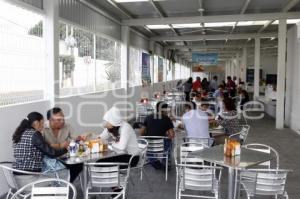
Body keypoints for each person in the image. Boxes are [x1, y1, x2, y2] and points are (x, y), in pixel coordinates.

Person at [12, 112, 68, 188]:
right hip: (29, 180)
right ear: (36, 123)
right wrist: (66, 149)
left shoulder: (19, 133)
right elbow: (51, 153)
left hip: (17, 178)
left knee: (49, 172)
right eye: (42, 123)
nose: (43, 126)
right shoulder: (34, 134)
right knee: (60, 176)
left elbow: (42, 148)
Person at [44, 107, 85, 182]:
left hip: (65, 157)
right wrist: (59, 145)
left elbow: (77, 140)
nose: (63, 121)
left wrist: (78, 140)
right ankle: (63, 185)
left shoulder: (67, 125)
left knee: (79, 164)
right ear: (50, 120)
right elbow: (42, 146)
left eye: (63, 118)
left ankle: (67, 184)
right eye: (59, 120)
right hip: (50, 159)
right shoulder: (43, 129)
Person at [140, 101, 174, 169]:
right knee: (169, 141)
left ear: (156, 108)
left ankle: (153, 160)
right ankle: (165, 162)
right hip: (161, 145)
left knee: (144, 141)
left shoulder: (148, 117)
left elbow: (141, 132)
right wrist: (167, 134)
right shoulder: (167, 119)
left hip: (149, 145)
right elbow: (172, 135)